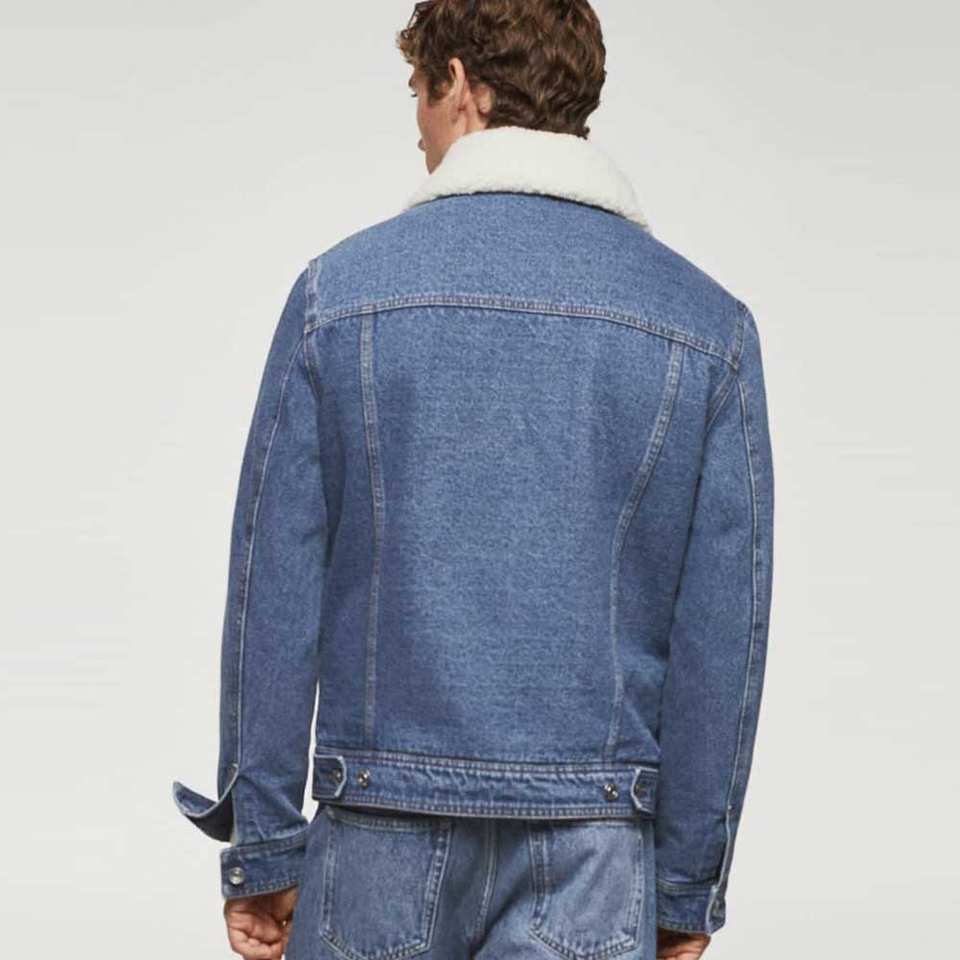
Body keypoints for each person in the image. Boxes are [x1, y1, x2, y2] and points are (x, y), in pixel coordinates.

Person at [171, 2, 775, 959]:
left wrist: (267, 846)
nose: (417, 127)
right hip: (593, 853)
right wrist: (684, 888)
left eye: (418, 91)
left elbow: (272, 587)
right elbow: (720, 635)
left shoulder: (339, 297)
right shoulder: (707, 329)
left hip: (377, 837)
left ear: (458, 83)